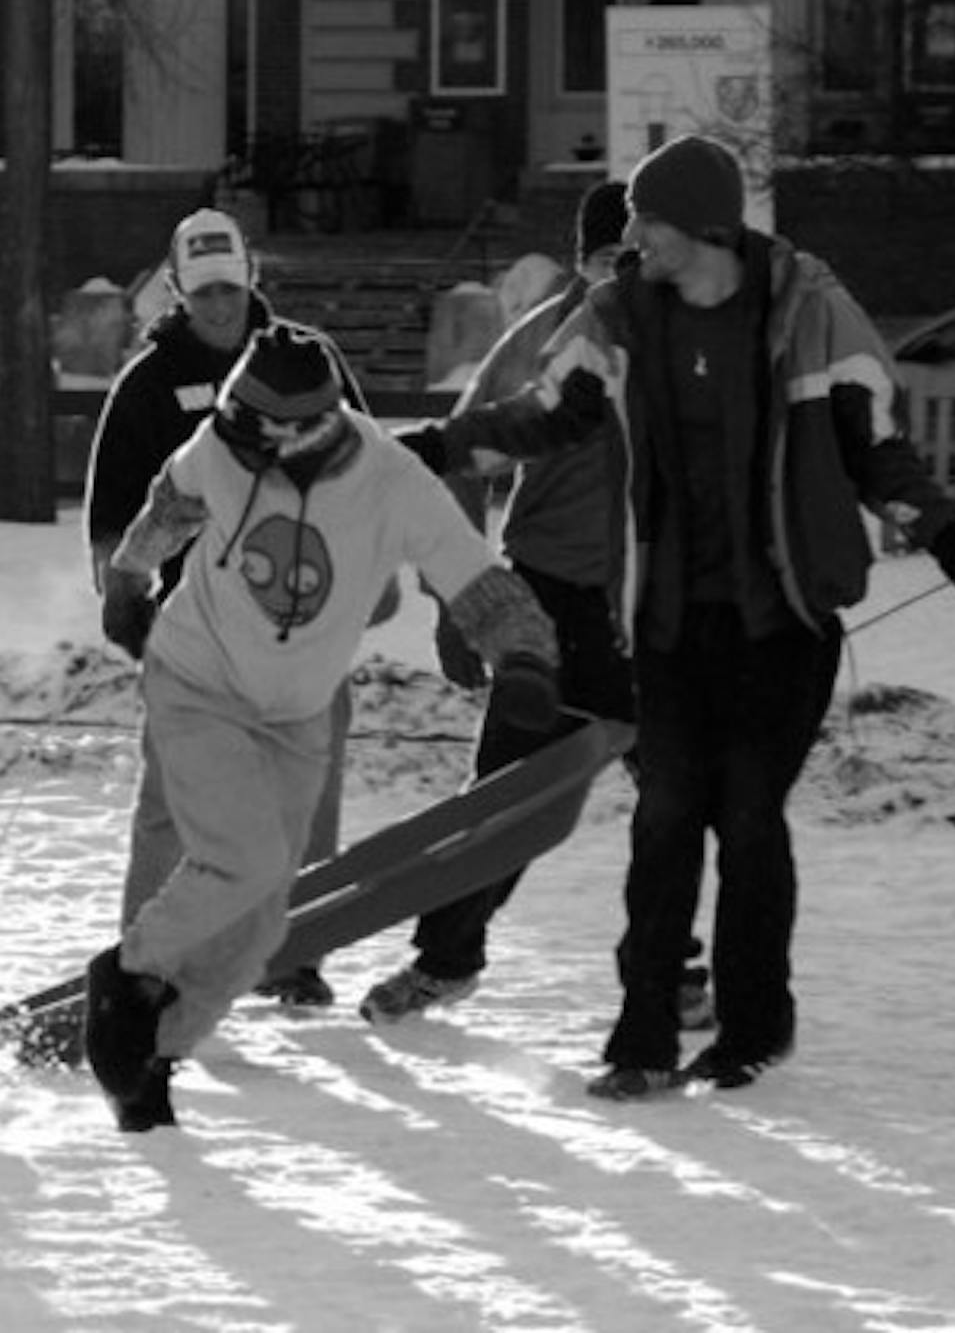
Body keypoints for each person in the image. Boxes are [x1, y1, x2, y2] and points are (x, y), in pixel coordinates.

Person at [418, 135, 955, 1099]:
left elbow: (873, 445)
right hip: (663, 617)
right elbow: (545, 414)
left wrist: (946, 532)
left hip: (782, 621)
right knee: (663, 818)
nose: (634, 242)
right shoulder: (618, 316)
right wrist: (440, 446)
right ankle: (642, 1037)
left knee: (745, 817)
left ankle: (752, 1025)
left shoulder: (813, 313)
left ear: (699, 227)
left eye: (647, 225)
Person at [83, 322, 564, 1131]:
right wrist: (129, 578)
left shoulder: (390, 481)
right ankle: (124, 976)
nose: (239, 449)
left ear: (307, 429)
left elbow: (474, 578)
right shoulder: (224, 443)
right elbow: (172, 504)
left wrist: (525, 657)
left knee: (265, 915)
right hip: (195, 679)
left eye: (256, 437)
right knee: (244, 858)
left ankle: (154, 1056)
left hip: (297, 711)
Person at [362, 181, 713, 1033]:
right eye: (603, 258)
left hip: (652, 597)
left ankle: (673, 974)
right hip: (549, 599)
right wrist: (459, 603)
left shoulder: (680, 338)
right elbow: (458, 462)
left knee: (672, 794)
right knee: (510, 794)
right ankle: (446, 958)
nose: (618, 274)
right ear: (579, 258)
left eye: (632, 256)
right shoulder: (541, 345)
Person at [86, 206, 381, 1010]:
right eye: (203, 294)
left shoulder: (305, 364)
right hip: (197, 634)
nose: (219, 308)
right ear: (179, 293)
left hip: (299, 619)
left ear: (252, 284)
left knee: (305, 790)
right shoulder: (148, 386)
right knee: (174, 803)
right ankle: (149, 964)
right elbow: (114, 511)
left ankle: (293, 951)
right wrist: (123, 599)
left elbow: (367, 470)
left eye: (231, 291)